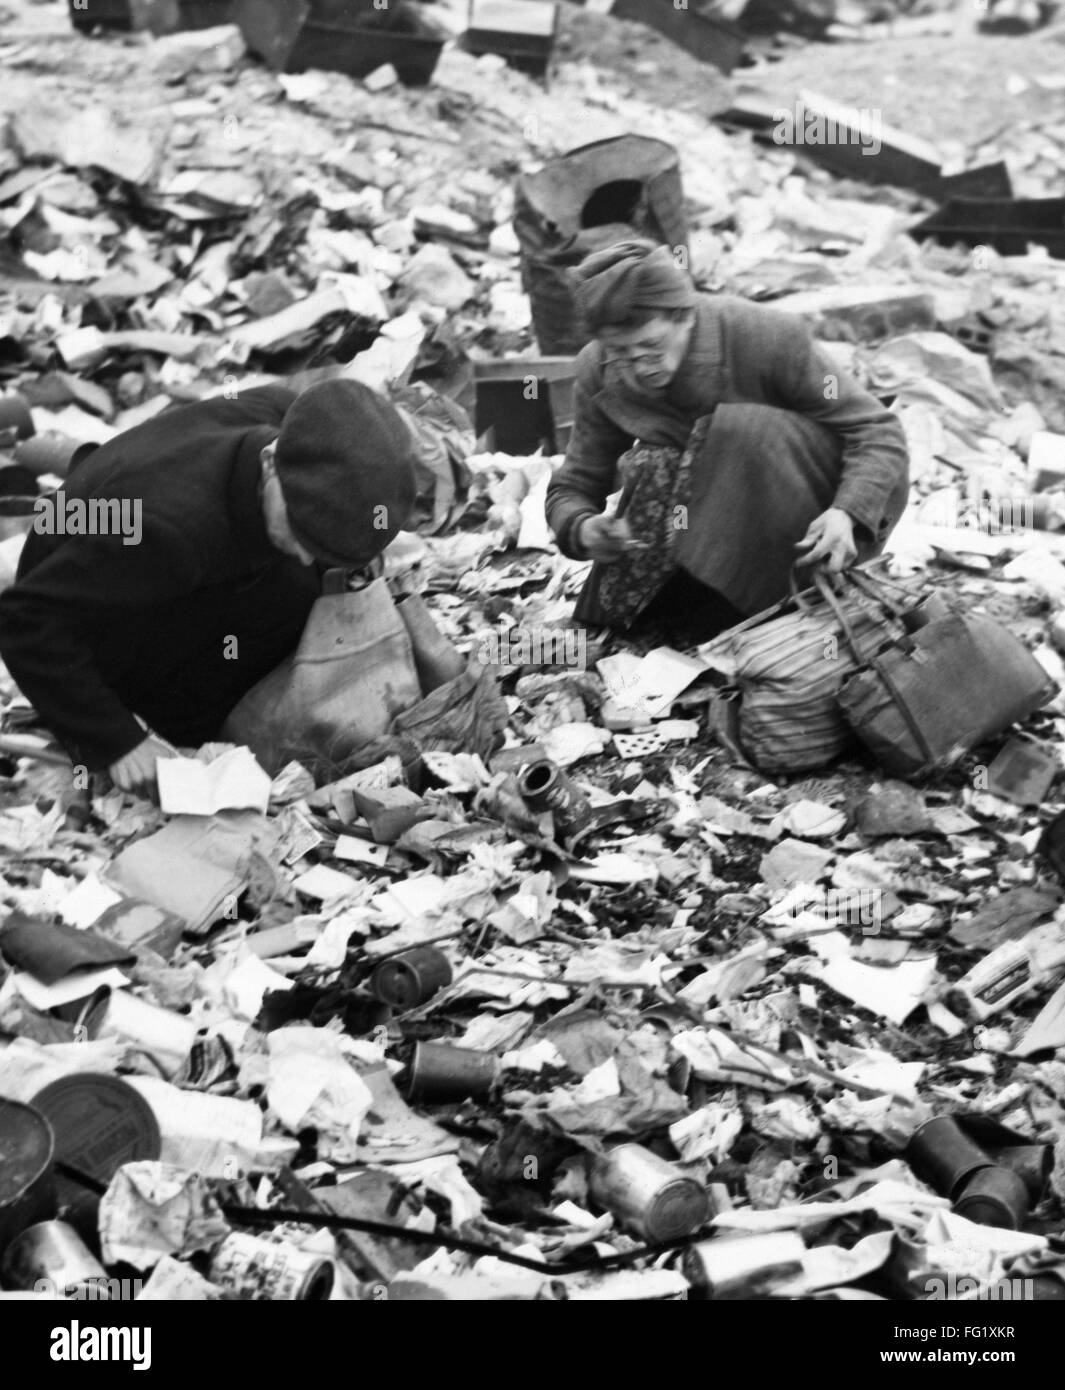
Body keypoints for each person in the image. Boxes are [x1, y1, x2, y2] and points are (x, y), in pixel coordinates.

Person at [0, 378, 417, 799]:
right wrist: (118, 740)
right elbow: (25, 620)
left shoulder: (292, 418)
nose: (307, 555)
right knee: (293, 599)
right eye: (301, 534)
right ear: (271, 461)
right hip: (95, 628)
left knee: (312, 585)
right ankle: (179, 718)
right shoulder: (168, 533)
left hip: (137, 560)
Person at [545, 239, 910, 642]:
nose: (641, 366)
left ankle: (782, 601)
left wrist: (848, 511)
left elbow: (877, 430)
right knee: (654, 461)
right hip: (712, 512)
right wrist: (582, 528)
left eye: (652, 346)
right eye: (620, 351)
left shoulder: (766, 336)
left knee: (737, 431)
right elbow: (575, 482)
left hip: (814, 503)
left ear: (686, 318)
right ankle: (687, 608)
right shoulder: (597, 370)